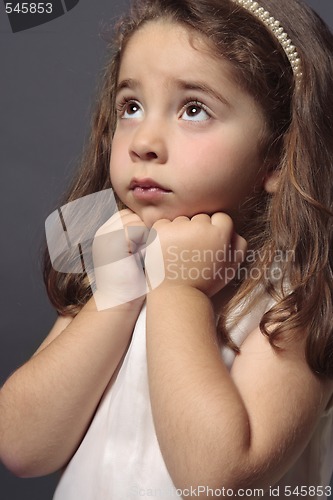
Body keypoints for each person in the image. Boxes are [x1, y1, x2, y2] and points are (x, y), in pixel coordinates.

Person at [1, 0, 333, 498]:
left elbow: (215, 481)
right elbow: (21, 446)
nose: (144, 142)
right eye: (131, 107)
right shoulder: (111, 251)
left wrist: (179, 288)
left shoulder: (294, 297)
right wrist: (117, 292)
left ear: (279, 154)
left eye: (193, 109)